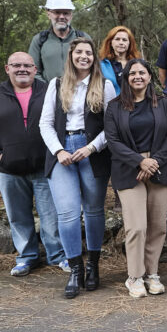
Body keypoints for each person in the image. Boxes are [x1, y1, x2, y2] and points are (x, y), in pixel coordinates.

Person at [0, 52, 67, 276]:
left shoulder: (49, 91)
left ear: (35, 69)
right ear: (7, 69)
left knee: (51, 216)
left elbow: (63, 121)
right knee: (18, 215)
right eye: (16, 65)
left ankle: (57, 255)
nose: (22, 69)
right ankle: (27, 257)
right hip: (8, 170)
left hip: (45, 168)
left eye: (27, 65)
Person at [39, 38, 115, 299]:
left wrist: (91, 148)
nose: (84, 56)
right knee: (68, 213)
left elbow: (112, 127)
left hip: (93, 151)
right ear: (71, 56)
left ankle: (93, 265)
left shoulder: (104, 86)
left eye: (89, 53)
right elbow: (45, 123)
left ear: (94, 58)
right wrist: (59, 150)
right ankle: (75, 269)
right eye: (79, 52)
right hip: (62, 152)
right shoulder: (56, 85)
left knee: (94, 211)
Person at [104, 59, 167, 298]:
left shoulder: (164, 103)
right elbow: (113, 141)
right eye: (132, 73)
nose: (137, 76)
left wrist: (152, 161)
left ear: (149, 76)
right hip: (128, 170)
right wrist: (140, 161)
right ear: (125, 78)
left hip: (158, 166)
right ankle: (134, 276)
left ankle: (152, 274)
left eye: (142, 72)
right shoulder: (115, 107)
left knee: (157, 226)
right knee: (136, 227)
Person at [29, 0, 91, 82]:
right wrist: (49, 90)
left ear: (71, 16)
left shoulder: (83, 37)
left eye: (66, 13)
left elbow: (92, 67)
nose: (61, 17)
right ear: (48, 14)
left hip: (78, 92)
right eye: (57, 12)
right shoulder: (40, 40)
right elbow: (33, 71)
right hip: (48, 93)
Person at [99, 26, 142, 96]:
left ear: (130, 43)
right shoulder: (102, 64)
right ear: (110, 42)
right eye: (117, 39)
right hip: (110, 104)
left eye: (124, 40)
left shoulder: (138, 63)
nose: (121, 43)